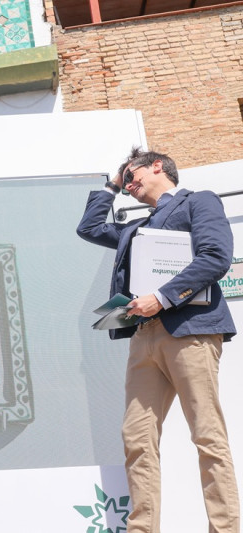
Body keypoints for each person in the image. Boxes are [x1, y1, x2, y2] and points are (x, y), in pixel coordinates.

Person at [76, 147, 239, 533]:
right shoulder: (134, 228)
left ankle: (225, 529)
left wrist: (162, 296)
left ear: (158, 166)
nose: (130, 184)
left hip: (189, 332)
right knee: (136, 438)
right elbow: (89, 228)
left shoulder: (198, 201)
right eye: (125, 180)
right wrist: (113, 184)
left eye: (133, 174)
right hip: (143, 337)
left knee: (207, 435)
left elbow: (217, 256)